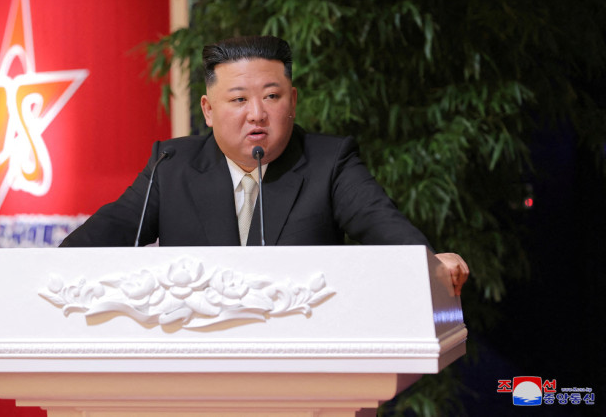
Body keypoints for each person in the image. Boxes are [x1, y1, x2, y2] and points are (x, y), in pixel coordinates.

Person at [60, 35, 469, 295]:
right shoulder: (171, 166)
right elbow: (96, 240)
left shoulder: (330, 162)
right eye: (239, 99)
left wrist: (429, 263)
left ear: (292, 101)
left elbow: (383, 225)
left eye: (271, 97)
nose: (257, 113)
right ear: (207, 109)